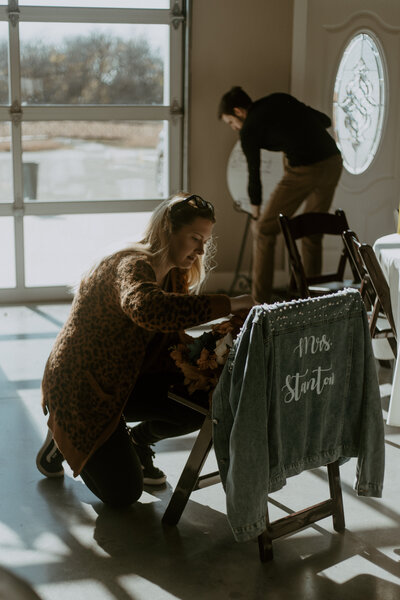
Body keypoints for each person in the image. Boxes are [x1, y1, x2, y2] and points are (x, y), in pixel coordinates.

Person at [36, 193, 255, 508]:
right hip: (82, 389)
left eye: (205, 240)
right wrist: (231, 303)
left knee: (202, 402)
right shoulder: (131, 264)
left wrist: (214, 348)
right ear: (168, 231)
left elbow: (169, 336)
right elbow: (149, 310)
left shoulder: (174, 274)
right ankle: (60, 437)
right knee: (125, 494)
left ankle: (137, 442)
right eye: (195, 238)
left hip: (125, 379)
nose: (201, 249)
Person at [218, 86, 343, 303]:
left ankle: (259, 304)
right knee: (312, 229)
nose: (234, 128)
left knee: (264, 230)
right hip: (333, 162)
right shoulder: (279, 98)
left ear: (238, 111)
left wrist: (256, 214)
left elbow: (254, 174)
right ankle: (313, 300)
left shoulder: (248, 130)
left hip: (305, 169)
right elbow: (324, 120)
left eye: (231, 122)